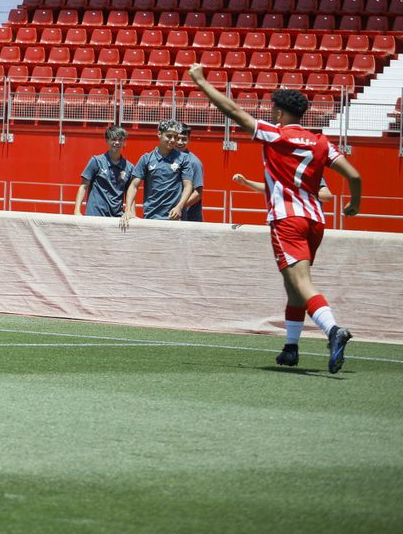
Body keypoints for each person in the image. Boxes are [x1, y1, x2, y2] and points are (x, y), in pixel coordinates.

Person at [187, 64, 362, 373]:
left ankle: (333, 330)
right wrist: (354, 204)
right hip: (314, 221)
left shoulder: (276, 135)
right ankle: (291, 347)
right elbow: (355, 175)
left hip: (286, 220)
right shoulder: (321, 142)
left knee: (302, 283)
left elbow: (233, 111)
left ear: (279, 113)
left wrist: (201, 82)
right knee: (293, 285)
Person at [121, 118, 196, 228]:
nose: (173, 140)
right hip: (150, 217)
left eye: (175, 137)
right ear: (159, 134)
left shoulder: (184, 159)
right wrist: (128, 210)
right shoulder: (146, 159)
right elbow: (133, 185)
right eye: (169, 136)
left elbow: (188, 186)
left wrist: (179, 207)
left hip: (173, 219)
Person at [72, 124, 136, 217]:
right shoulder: (96, 161)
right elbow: (83, 186)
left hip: (116, 219)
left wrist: (132, 214)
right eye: (114, 139)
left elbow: (130, 194)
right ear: (107, 140)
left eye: (120, 139)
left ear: (124, 142)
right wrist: (77, 211)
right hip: (94, 217)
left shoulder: (129, 167)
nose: (117, 142)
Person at [176, 124, 205, 222]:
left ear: (189, 139)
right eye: (178, 138)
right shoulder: (168, 159)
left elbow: (198, 194)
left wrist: (179, 207)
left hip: (190, 219)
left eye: (184, 139)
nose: (180, 142)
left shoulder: (194, 162)